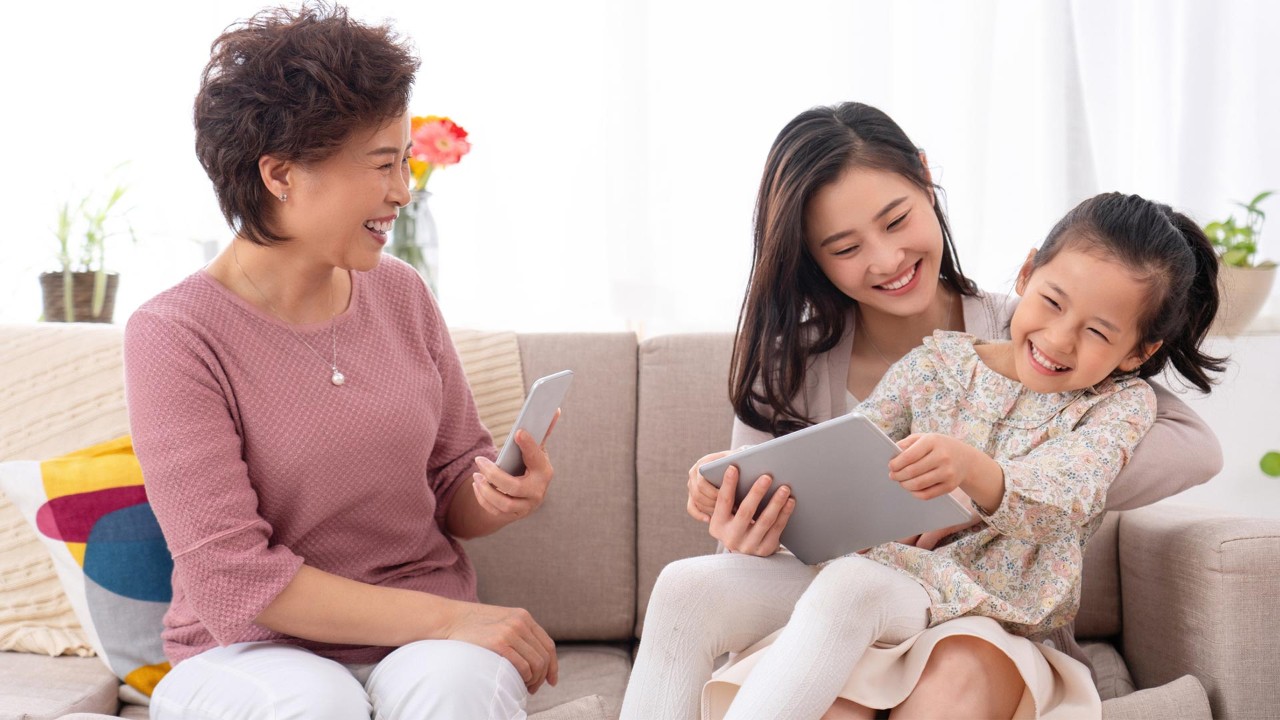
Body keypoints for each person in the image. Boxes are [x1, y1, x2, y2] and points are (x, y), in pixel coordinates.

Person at [620, 103, 1224, 720]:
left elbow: (1085, 483)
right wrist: (742, 491)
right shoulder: (935, 362)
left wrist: (978, 480)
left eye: (895, 220)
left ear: (925, 182)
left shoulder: (1107, 392)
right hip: (868, 582)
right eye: (845, 246)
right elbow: (854, 452)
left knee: (853, 588)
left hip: (979, 603)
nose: (885, 260)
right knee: (685, 588)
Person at [124, 5, 556, 719]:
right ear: (281, 174)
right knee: (315, 703)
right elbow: (236, 580)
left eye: (406, 163)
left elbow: (453, 477)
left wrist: (494, 496)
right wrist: (451, 619)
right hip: (251, 651)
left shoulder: (401, 292)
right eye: (384, 164)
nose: (402, 190)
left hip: (424, 635)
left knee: (458, 690)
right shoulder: (175, 335)